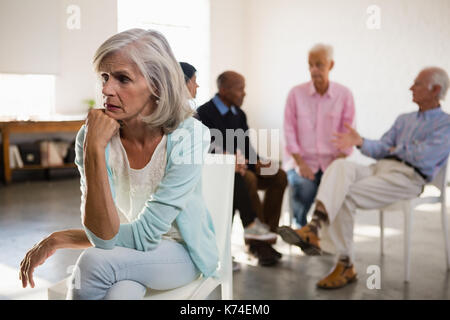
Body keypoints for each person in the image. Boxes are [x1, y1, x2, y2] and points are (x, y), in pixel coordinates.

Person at [19, 28, 218, 299]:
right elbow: (101, 234)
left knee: (93, 262)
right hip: (120, 253)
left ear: (157, 86)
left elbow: (145, 235)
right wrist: (94, 149)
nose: (106, 89)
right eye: (104, 76)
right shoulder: (92, 136)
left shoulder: (190, 136)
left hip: (180, 253)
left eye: (123, 79)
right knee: (118, 294)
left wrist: (62, 238)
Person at [278, 67, 450, 289]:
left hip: (409, 177)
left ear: (435, 89)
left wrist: (395, 148)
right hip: (380, 168)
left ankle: (344, 262)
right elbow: (380, 148)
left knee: (345, 193)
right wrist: (359, 142)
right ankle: (313, 228)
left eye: (417, 84)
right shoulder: (404, 119)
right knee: (339, 166)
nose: (411, 87)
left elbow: (425, 157)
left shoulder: (445, 124)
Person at [196, 71, 287, 265]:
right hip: (225, 170)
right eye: (240, 89)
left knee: (278, 175)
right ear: (223, 90)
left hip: (244, 164)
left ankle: (267, 236)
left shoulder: (239, 114)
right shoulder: (204, 113)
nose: (244, 93)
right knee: (249, 180)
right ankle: (257, 245)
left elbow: (247, 147)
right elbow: (208, 151)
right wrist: (235, 163)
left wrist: (257, 161)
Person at [284, 44, 355, 228]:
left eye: (319, 64)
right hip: (301, 162)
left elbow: (349, 138)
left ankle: (320, 233)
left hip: (333, 162)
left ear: (330, 65)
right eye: (310, 65)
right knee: (305, 189)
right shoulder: (295, 94)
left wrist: (334, 167)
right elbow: (289, 132)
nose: (314, 69)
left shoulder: (344, 95)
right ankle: (300, 228)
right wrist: (301, 164)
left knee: (339, 190)